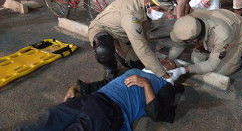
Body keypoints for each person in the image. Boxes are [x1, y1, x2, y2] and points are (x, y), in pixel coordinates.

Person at [15, 59, 180, 131]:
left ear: (171, 71)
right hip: (91, 100)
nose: (164, 60)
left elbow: (157, 113)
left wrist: (146, 84)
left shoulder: (165, 85)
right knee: (47, 119)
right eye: (163, 58)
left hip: (111, 111)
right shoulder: (136, 70)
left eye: (169, 61)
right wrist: (78, 88)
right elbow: (105, 84)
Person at [88, 0, 178, 82]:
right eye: (159, 9)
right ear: (147, 1)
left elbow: (143, 36)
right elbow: (142, 49)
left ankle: (120, 50)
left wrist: (149, 61)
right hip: (102, 29)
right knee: (103, 49)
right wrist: (165, 75)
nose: (162, 13)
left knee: (138, 66)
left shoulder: (144, 3)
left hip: (123, 33)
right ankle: (110, 71)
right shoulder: (131, 16)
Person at [166, 9, 242, 79]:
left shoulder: (222, 36)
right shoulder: (187, 23)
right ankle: (215, 50)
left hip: (241, 33)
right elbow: (178, 45)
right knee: (196, 59)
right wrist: (169, 59)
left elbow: (211, 65)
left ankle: (236, 59)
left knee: (219, 71)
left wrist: (183, 70)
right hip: (222, 19)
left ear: (195, 40)